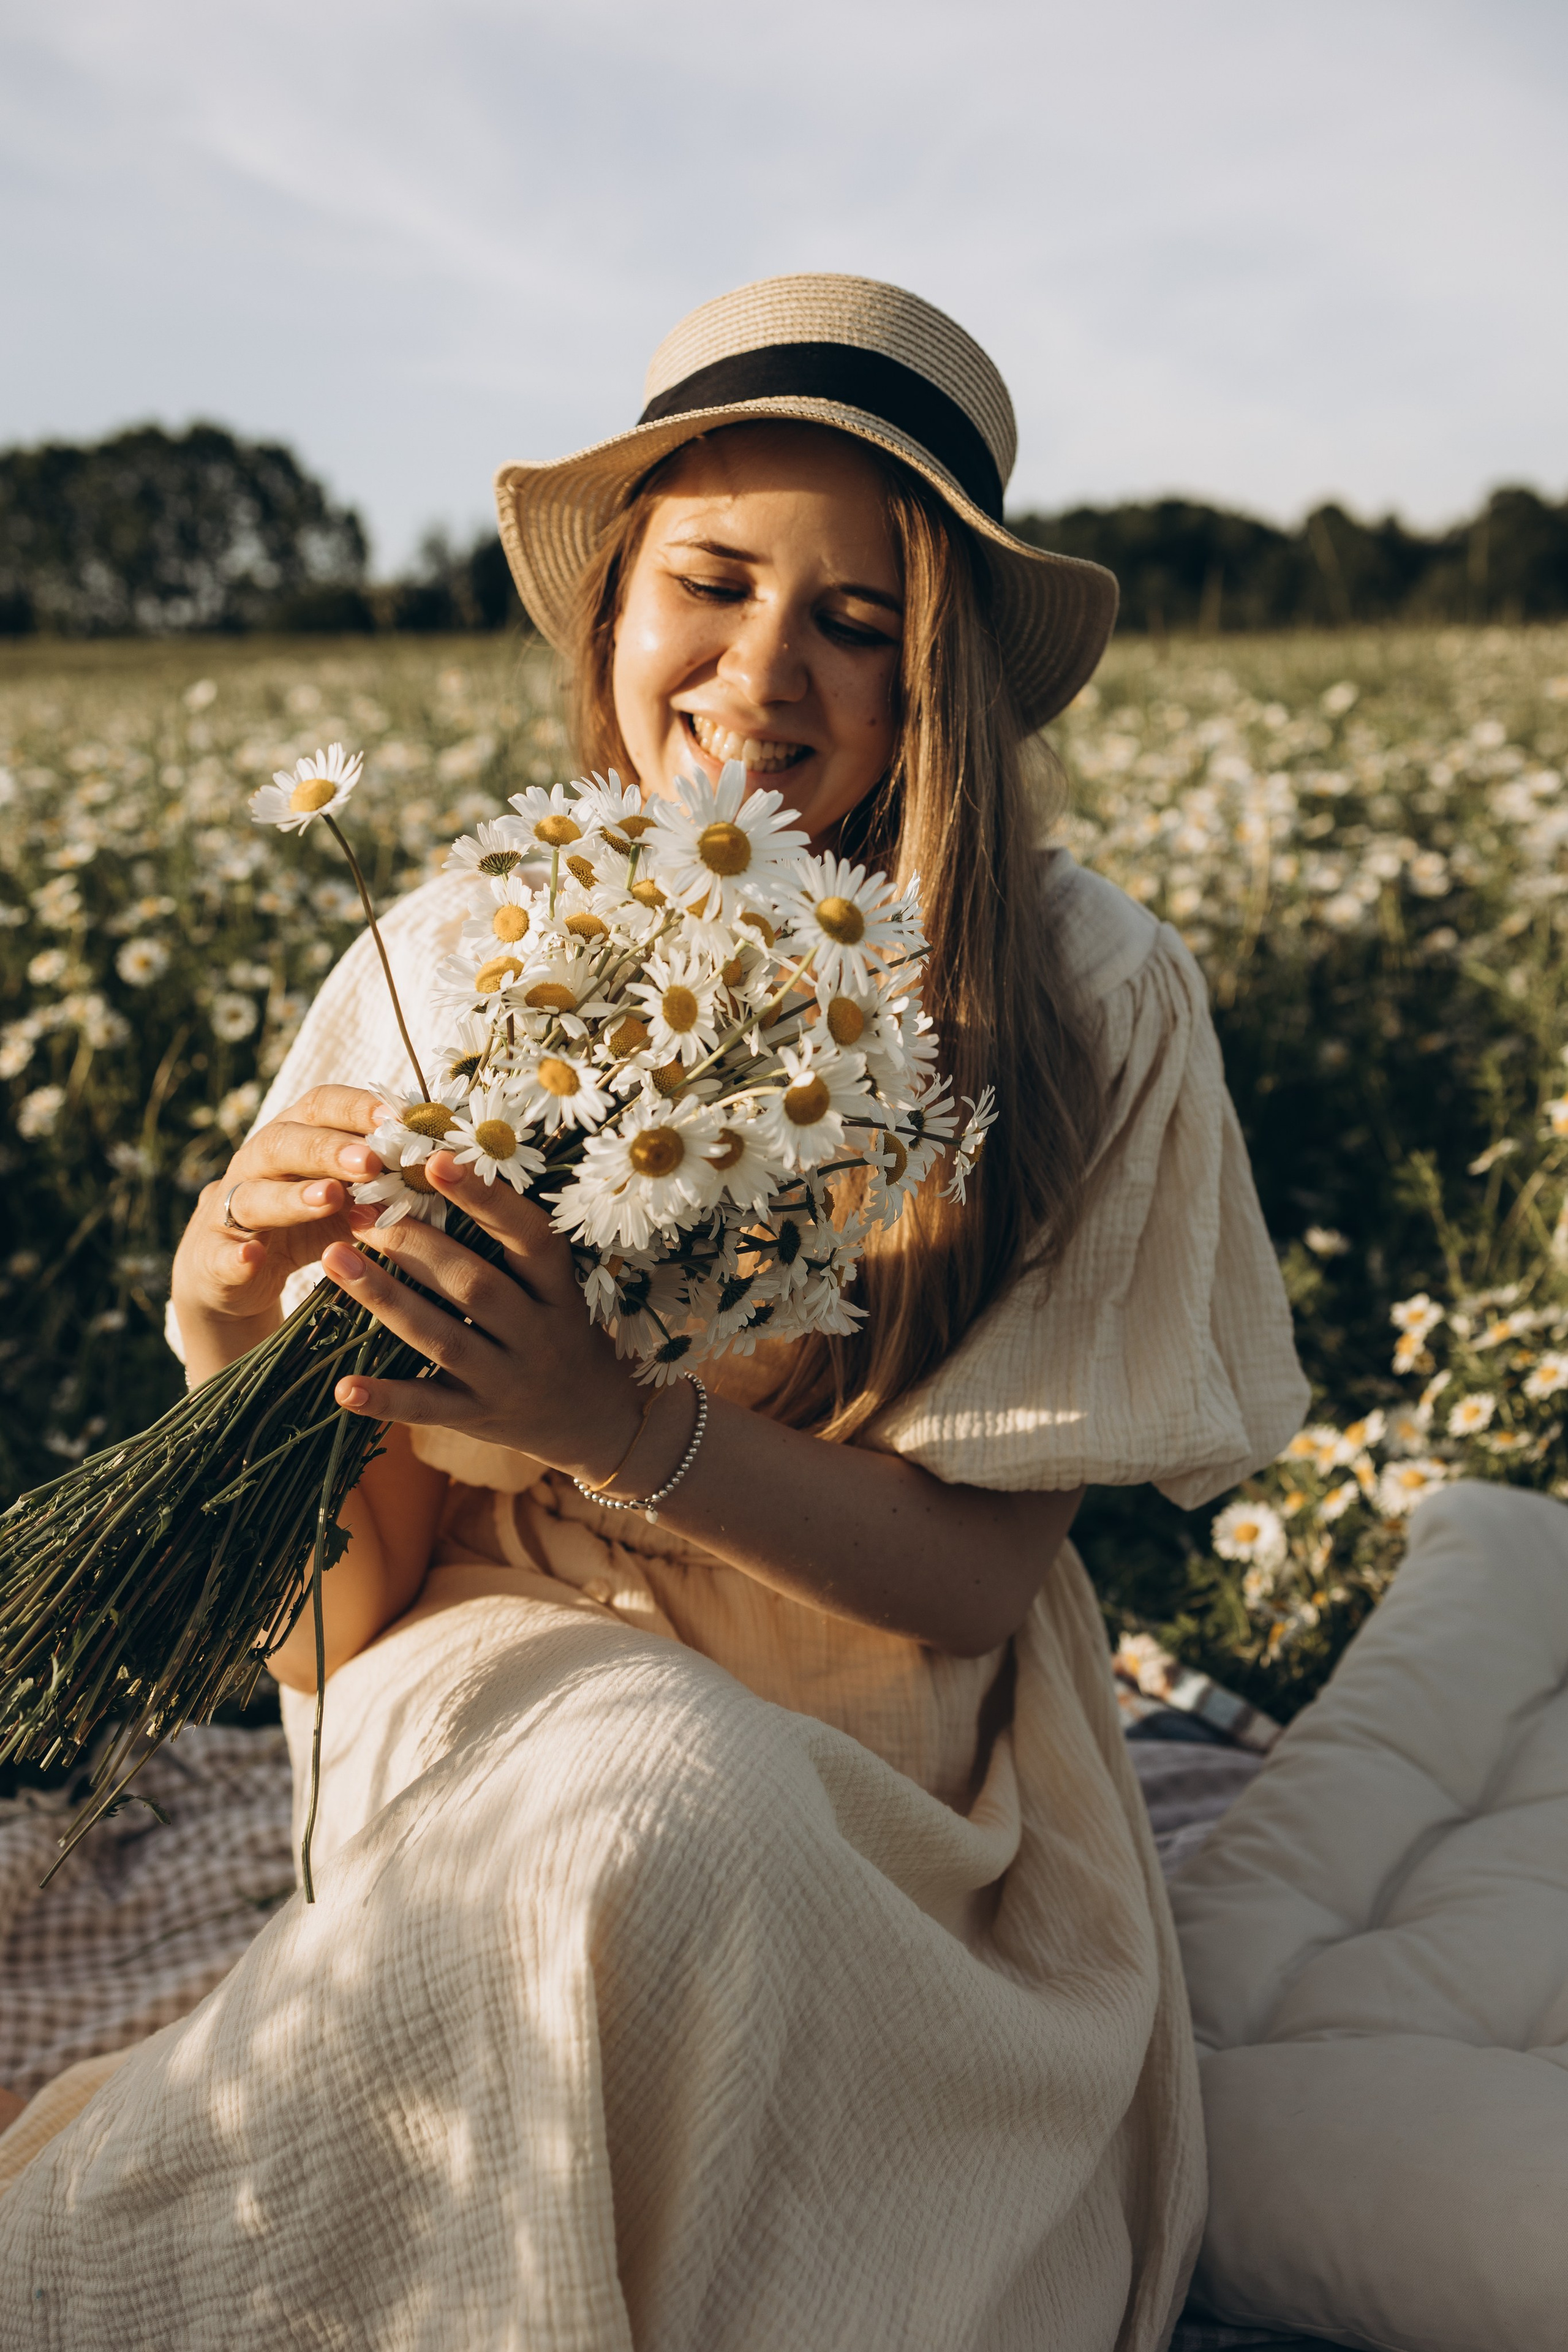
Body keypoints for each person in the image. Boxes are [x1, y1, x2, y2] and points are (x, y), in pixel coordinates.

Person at [0, 275, 1307, 2351]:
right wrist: (240, 1352)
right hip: (488, 1710)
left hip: (902, 1777)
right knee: (625, 1808)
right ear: (613, 602)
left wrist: (623, 1425)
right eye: (709, 582)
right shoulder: (451, 956)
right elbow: (346, 1624)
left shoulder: (1080, 999)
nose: (764, 678)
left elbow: (970, 1593)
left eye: (861, 625)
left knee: (663, 1820)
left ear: (940, 674)